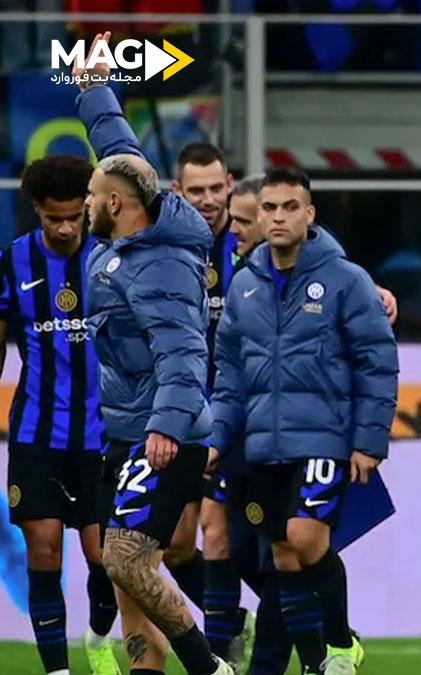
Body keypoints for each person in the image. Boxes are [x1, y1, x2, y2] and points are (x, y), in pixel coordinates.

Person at [74, 30, 232, 675]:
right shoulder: (137, 228)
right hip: (127, 428)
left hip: (160, 434)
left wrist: (165, 426)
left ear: (116, 205)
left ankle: (209, 665)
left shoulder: (160, 264)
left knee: (125, 557)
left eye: (91, 196)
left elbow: (184, 352)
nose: (85, 204)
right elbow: (121, 152)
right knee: (126, 579)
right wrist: (94, 90)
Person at [210, 167, 398, 675]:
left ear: (309, 214)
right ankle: (318, 663)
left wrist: (369, 440)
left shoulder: (346, 280)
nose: (278, 217)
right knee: (282, 555)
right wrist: (215, 439)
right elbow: (230, 376)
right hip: (262, 444)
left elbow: (378, 362)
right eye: (269, 208)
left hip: (324, 438)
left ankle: (341, 643)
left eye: (290, 207)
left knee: (304, 536)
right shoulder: (244, 286)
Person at [1, 155, 121, 675]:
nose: (67, 228)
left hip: (102, 436)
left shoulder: (111, 259)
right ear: (36, 209)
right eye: (55, 218)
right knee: (44, 549)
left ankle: (98, 636)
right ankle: (58, 671)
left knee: (106, 559)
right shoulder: (13, 261)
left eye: (75, 216)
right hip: (36, 433)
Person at [168, 141, 256, 669]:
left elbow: (317, 263)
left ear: (230, 186)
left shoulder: (250, 243)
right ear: (177, 191)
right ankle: (245, 621)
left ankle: (222, 655)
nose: (207, 200)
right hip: (182, 418)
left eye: (215, 188)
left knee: (219, 534)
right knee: (177, 546)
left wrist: (373, 290)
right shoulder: (167, 246)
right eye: (195, 190)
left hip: (238, 417)